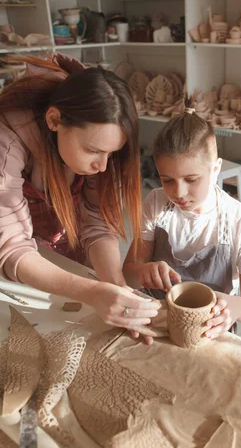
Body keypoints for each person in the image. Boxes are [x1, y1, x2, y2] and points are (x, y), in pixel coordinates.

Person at [0, 53, 159, 330]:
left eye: (111, 153)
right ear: (53, 120)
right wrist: (91, 292)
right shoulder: (7, 141)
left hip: (58, 237)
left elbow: (97, 222)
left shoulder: (98, 125)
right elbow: (13, 247)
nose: (102, 165)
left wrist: (116, 286)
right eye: (93, 151)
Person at [123, 106, 241, 343]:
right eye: (167, 180)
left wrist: (236, 307)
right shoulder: (156, 203)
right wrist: (142, 271)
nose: (178, 193)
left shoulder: (240, 221)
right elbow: (128, 274)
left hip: (209, 329)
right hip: (158, 320)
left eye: (191, 179)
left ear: (215, 168)